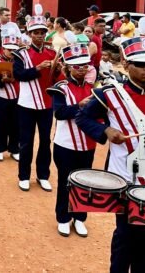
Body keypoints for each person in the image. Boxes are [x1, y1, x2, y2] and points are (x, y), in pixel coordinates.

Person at [74, 36, 145, 273]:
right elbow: (83, 117)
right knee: (125, 235)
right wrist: (106, 130)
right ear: (126, 64)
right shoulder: (108, 94)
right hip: (123, 176)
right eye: (141, 64)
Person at [47, 43, 95, 238]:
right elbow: (59, 113)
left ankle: (80, 217)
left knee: (84, 182)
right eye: (77, 66)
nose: (82, 69)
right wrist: (79, 105)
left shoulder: (92, 88)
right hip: (66, 144)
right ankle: (63, 218)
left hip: (88, 144)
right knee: (65, 182)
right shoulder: (61, 88)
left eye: (85, 65)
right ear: (67, 67)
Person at [13, 10, 58, 192]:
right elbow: (18, 75)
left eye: (42, 32)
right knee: (26, 142)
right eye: (36, 33)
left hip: (47, 104)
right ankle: (24, 176)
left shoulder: (52, 53)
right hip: (26, 104)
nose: (39, 36)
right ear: (30, 34)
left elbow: (57, 78)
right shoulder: (21, 54)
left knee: (45, 141)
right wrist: (38, 68)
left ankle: (43, 175)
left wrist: (58, 69)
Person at [0, 26, 20, 162]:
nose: (11, 52)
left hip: (17, 97)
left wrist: (14, 78)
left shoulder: (21, 62)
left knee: (16, 124)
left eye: (14, 49)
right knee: (1, 124)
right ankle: (0, 149)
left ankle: (14, 149)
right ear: (4, 49)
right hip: (0, 96)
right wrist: (1, 80)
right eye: (9, 49)